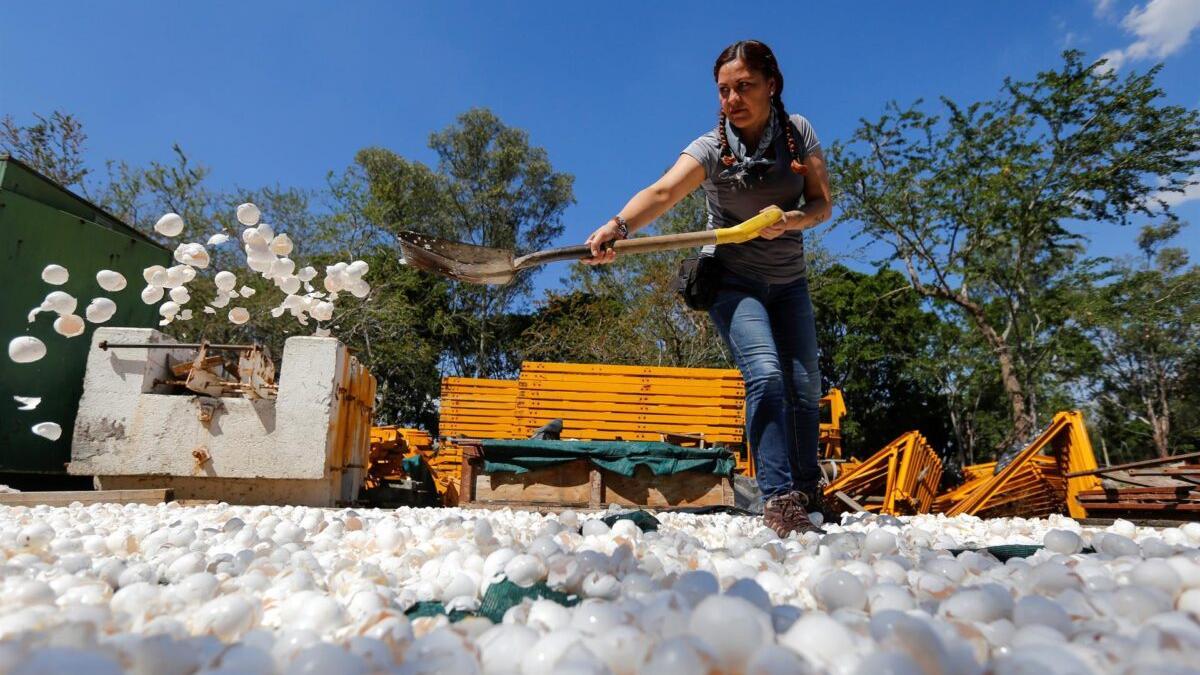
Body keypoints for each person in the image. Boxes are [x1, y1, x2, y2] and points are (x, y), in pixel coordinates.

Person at [583, 39, 833, 537]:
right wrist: (619, 225)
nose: (732, 100)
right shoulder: (711, 149)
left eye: (744, 87)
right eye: (723, 90)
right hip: (732, 280)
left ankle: (808, 491)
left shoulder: (797, 133)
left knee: (806, 388)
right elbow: (663, 191)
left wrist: (791, 221)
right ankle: (779, 498)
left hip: (788, 283)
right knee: (765, 375)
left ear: (771, 86)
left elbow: (822, 204)